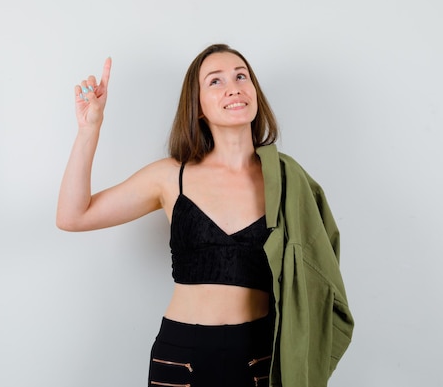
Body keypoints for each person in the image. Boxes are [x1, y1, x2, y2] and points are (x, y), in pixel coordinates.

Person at [57, 44, 354, 387]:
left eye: (241, 76)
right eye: (216, 81)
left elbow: (321, 274)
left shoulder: (287, 180)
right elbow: (73, 216)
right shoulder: (170, 177)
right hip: (181, 356)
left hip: (260, 359)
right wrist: (89, 129)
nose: (233, 86)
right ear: (197, 107)